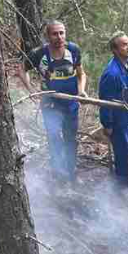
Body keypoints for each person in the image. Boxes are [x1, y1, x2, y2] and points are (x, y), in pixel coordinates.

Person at [18, 20, 87, 183]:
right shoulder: (39, 53)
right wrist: (31, 90)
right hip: (50, 104)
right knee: (54, 137)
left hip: (71, 103)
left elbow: (81, 73)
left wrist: (81, 90)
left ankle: (70, 171)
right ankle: (58, 173)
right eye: (55, 33)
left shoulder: (73, 50)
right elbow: (22, 69)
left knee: (71, 138)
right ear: (48, 36)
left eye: (62, 33)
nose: (59, 37)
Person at [98, 31, 128, 188]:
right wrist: (107, 125)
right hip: (118, 122)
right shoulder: (111, 74)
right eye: (124, 45)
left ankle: (124, 181)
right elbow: (105, 102)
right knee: (123, 156)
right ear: (115, 50)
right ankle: (122, 190)